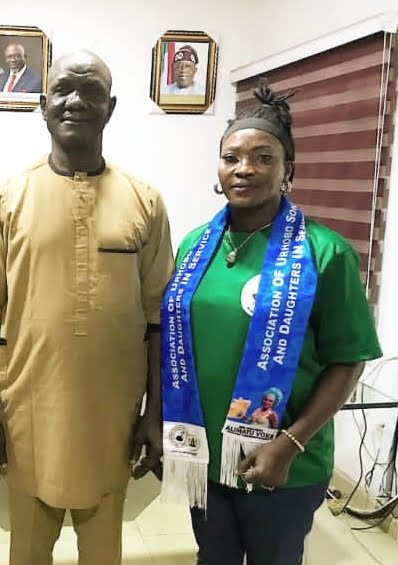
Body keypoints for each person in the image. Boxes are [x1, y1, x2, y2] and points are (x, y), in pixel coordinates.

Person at [160, 79, 382, 564]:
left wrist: (290, 443)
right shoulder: (196, 245)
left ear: (288, 170)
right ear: (218, 168)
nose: (245, 169)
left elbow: (348, 362)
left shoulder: (325, 254)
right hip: (206, 456)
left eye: (263, 157)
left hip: (285, 463)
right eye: (232, 157)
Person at [0, 50, 174, 565]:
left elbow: (158, 322)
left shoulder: (145, 200)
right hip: (29, 415)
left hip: (113, 415)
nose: (76, 101)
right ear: (43, 104)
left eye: (91, 91)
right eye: (63, 90)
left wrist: (156, 412)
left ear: (111, 106)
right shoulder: (6, 199)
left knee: (104, 553)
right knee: (28, 553)